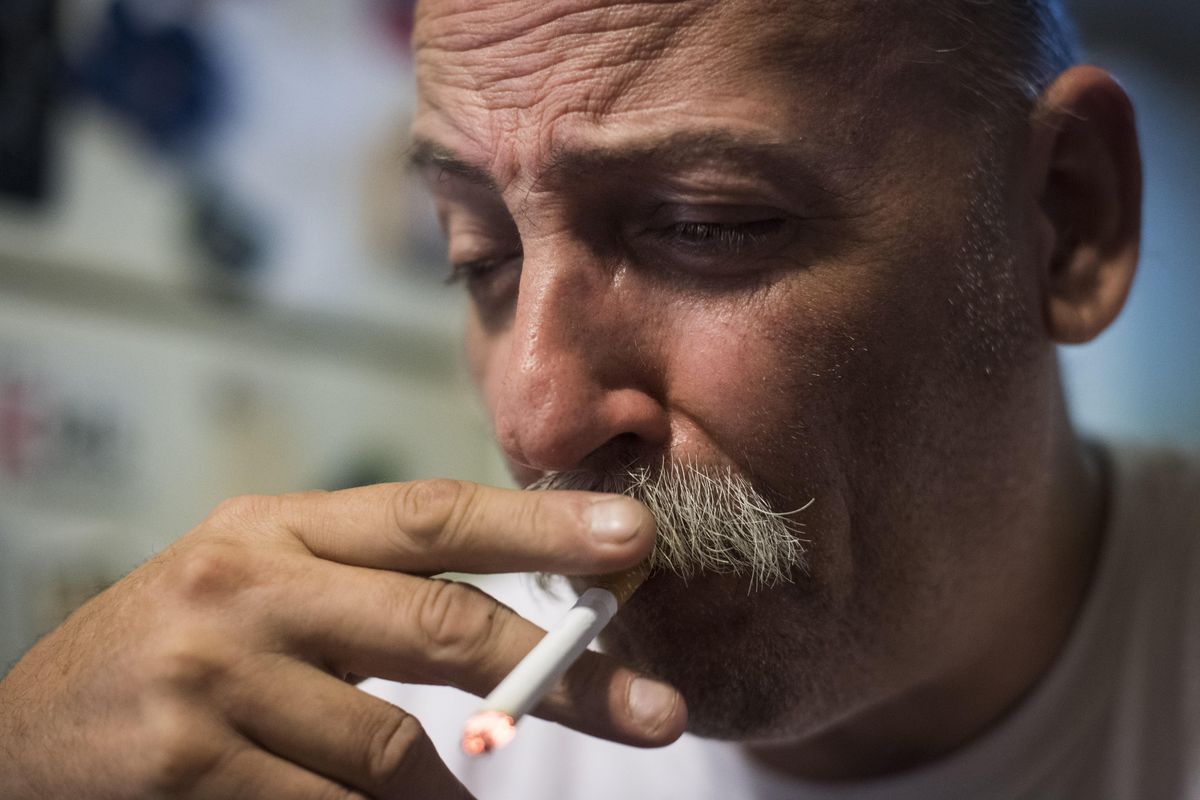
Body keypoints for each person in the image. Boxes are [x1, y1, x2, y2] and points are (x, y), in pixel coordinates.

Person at [1, 0, 1197, 797]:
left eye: (703, 226)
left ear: (1066, 221)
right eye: (479, 255)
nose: (531, 419)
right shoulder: (375, 744)